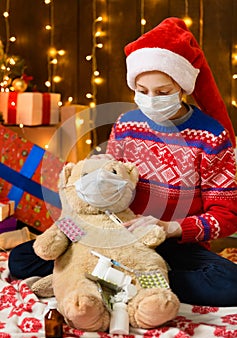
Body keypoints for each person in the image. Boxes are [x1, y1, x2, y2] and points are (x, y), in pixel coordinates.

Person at [8, 17, 237, 307]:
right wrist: (94, 176)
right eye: (142, 90)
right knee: (21, 260)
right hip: (111, 231)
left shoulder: (211, 135)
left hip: (170, 243)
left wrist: (171, 228)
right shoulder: (126, 124)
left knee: (230, 282)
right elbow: (108, 187)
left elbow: (227, 216)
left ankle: (118, 277)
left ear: (183, 87)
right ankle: (115, 275)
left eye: (163, 91)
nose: (151, 99)